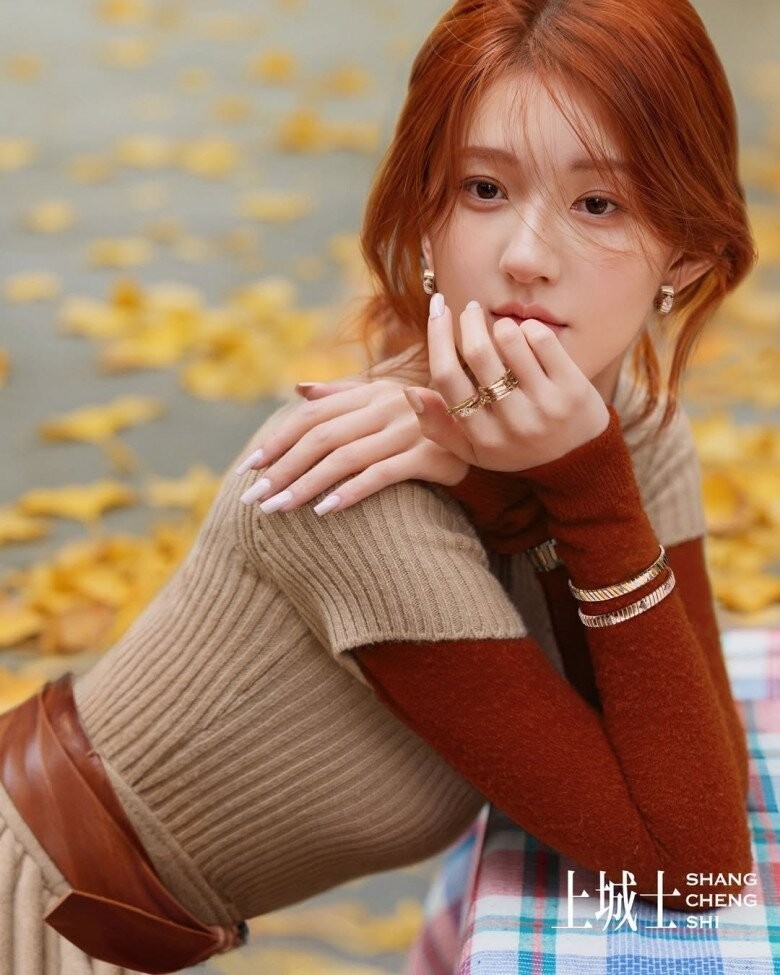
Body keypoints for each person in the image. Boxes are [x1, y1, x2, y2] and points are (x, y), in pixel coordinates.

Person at [0, 0, 754, 971]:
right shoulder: (356, 484)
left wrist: (551, 483)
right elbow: (695, 868)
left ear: (685, 250)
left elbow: (696, 779)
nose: (526, 255)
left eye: (597, 203)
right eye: (484, 188)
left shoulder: (632, 436)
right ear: (428, 225)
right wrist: (585, 493)